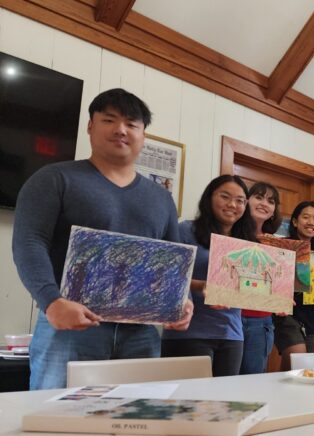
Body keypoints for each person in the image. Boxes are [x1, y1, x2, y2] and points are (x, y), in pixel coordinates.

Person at [12, 88, 192, 390]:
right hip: (69, 328)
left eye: (132, 124)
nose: (121, 129)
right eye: (109, 119)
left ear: (143, 135)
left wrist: (180, 301)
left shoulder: (161, 199)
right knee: (55, 421)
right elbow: (29, 243)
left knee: (136, 419)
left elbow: (172, 261)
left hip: (143, 334)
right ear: (90, 127)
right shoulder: (54, 179)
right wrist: (51, 301)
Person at [161, 175, 256, 376]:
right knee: (189, 403)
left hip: (232, 333)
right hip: (190, 332)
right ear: (209, 197)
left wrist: (275, 297)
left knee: (224, 402)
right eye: (225, 197)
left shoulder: (246, 242)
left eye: (240, 201)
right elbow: (168, 277)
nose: (232, 205)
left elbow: (249, 285)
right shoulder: (186, 230)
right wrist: (201, 286)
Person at [273, 201, 314, 371]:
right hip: (286, 313)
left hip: (310, 316)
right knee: (297, 357)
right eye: (306, 217)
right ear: (295, 222)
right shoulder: (282, 246)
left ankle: (285, 396)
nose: (311, 222)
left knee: (301, 370)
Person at [239, 182, 281, 374]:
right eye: (258, 197)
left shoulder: (277, 245)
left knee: (252, 380)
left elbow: (279, 284)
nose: (265, 203)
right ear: (246, 201)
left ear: (273, 211)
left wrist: (282, 299)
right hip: (230, 318)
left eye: (271, 201)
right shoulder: (231, 235)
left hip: (261, 321)